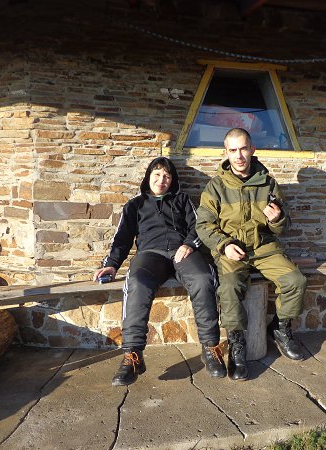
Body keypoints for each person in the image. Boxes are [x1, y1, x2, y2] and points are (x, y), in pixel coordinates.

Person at [94, 156, 226, 386]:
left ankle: (210, 347)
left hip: (182, 252)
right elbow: (122, 239)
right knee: (137, 282)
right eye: (157, 175)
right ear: (148, 177)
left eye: (166, 176)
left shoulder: (182, 200)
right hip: (150, 255)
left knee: (203, 277)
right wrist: (112, 264)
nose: (161, 180)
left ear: (172, 180)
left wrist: (189, 244)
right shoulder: (135, 205)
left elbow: (198, 227)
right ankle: (133, 355)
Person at [195, 128, 307, 381]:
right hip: (232, 249)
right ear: (226, 152)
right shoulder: (216, 187)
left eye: (243, 149)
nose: (239, 156)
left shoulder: (268, 183)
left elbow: (283, 226)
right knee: (230, 287)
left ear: (252, 149)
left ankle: (280, 328)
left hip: (264, 247)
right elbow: (203, 225)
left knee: (295, 280)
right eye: (233, 150)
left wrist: (277, 219)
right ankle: (237, 345)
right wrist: (224, 245)